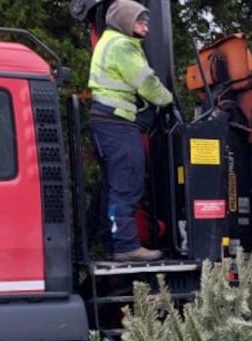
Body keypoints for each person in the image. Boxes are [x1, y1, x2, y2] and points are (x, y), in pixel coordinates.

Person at [88, 0, 173, 262]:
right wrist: (170, 100)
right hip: (117, 123)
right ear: (125, 21)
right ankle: (126, 245)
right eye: (140, 21)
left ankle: (114, 242)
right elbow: (146, 82)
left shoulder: (111, 42)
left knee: (114, 184)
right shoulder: (123, 46)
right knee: (128, 182)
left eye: (147, 21)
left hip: (108, 122)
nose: (146, 26)